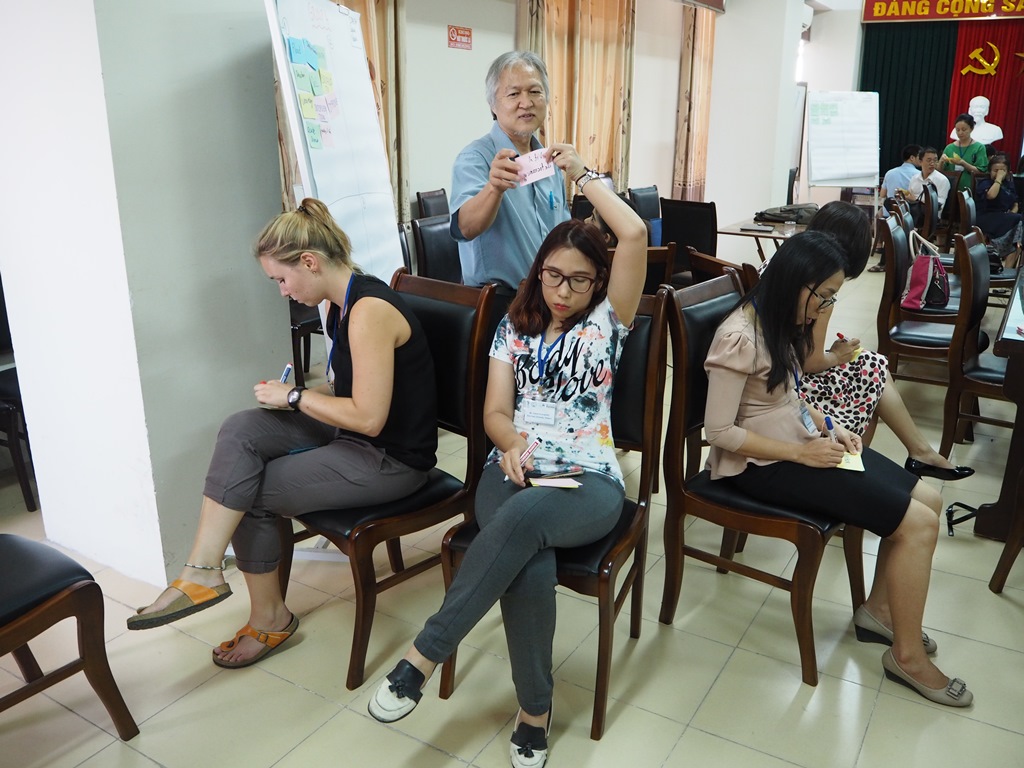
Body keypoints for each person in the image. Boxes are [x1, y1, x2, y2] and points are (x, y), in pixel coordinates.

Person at [367, 155, 648, 768]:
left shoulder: (610, 322)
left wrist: (582, 175)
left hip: (588, 480)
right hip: (512, 469)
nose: (563, 291)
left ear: (599, 283)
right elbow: (495, 412)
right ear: (538, 271)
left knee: (521, 525)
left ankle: (423, 655)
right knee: (529, 561)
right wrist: (513, 445)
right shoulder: (513, 330)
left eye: (579, 280)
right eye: (553, 275)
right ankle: (534, 712)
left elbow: (631, 233)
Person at [127, 199, 438, 669]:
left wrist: (294, 396)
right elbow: (349, 389)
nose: (282, 291)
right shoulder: (339, 303)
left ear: (309, 261)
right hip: (355, 436)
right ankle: (201, 569)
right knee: (241, 429)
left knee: (250, 491)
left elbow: (370, 418)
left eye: (281, 279)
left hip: (390, 459)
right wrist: (295, 398)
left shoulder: (369, 310)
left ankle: (270, 619)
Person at [704, 230, 973, 708]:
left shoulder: (779, 321)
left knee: (929, 500)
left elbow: (790, 396)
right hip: (759, 464)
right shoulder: (738, 336)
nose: (825, 307)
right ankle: (907, 657)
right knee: (918, 524)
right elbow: (719, 431)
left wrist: (832, 426)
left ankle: (879, 611)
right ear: (795, 282)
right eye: (824, 296)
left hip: (798, 443)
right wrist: (802, 454)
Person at [800, 202, 973, 481]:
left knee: (870, 363)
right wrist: (836, 355)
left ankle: (917, 452)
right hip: (791, 386)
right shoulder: (818, 286)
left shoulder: (790, 263)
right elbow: (810, 362)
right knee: (868, 371)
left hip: (780, 372)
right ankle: (865, 465)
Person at [451, 51, 583, 292]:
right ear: (493, 105)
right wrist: (494, 189)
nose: (526, 102)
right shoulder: (475, 157)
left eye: (535, 92)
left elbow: (561, 235)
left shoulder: (549, 160)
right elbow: (465, 228)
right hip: (498, 301)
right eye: (513, 94)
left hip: (547, 295)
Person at [869, 144, 921, 272]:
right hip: (910, 215)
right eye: (920, 157)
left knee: (880, 214)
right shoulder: (918, 175)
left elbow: (882, 195)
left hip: (890, 213)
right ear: (912, 158)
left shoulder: (890, 172)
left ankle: (880, 247)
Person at [975, 153, 1023, 268]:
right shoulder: (985, 183)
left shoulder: (1009, 184)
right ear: (990, 171)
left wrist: (1012, 212)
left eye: (1002, 171)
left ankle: (1010, 267)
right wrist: (998, 179)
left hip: (1004, 218)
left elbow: (1015, 203)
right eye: (995, 170)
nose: (999, 173)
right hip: (986, 217)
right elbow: (991, 195)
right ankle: (1008, 264)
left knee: (1018, 225)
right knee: (1019, 222)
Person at [941, 113, 989, 192]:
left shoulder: (979, 148)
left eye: (964, 130)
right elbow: (940, 171)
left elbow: (981, 172)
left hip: (970, 189)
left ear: (971, 128)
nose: (960, 133)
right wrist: (941, 162)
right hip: (950, 189)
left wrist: (963, 163)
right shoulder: (949, 148)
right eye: (957, 130)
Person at [903, 147, 950, 223]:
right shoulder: (914, 178)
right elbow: (909, 197)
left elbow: (939, 205)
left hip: (930, 216)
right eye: (929, 160)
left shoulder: (942, 180)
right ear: (920, 162)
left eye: (935, 160)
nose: (932, 163)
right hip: (913, 212)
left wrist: (916, 200)